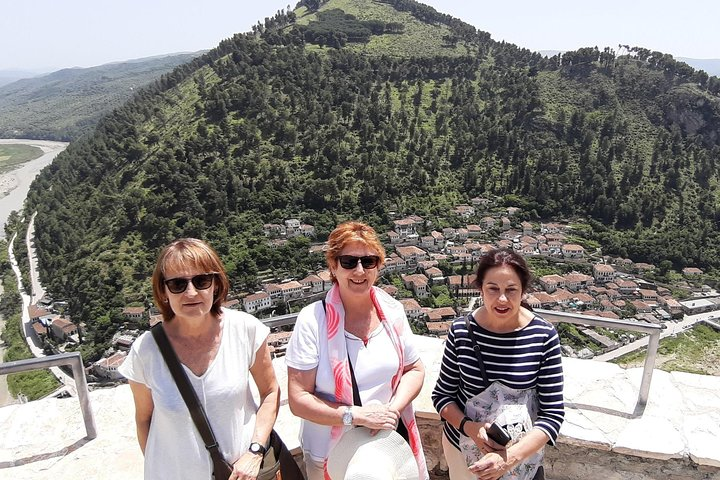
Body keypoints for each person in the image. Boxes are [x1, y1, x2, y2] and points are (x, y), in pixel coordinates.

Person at [119, 238, 280, 480]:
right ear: (163, 291)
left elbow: (270, 392)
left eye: (202, 280)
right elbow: (144, 420)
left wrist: (255, 451)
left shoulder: (245, 330)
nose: (191, 292)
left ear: (215, 285)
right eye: (177, 284)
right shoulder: (146, 351)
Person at [286, 221, 429, 480]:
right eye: (349, 262)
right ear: (333, 266)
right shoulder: (313, 320)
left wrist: (392, 410)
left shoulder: (392, 311)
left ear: (379, 265)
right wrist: (356, 416)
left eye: (369, 261)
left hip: (384, 449)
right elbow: (298, 399)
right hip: (329, 456)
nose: (360, 271)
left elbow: (414, 369)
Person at [432, 248, 564, 480]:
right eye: (493, 289)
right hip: (463, 452)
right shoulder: (461, 331)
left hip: (520, 455)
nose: (502, 299)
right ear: (481, 289)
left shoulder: (543, 336)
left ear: (523, 291)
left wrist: (509, 458)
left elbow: (552, 414)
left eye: (511, 290)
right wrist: (470, 428)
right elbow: (442, 397)